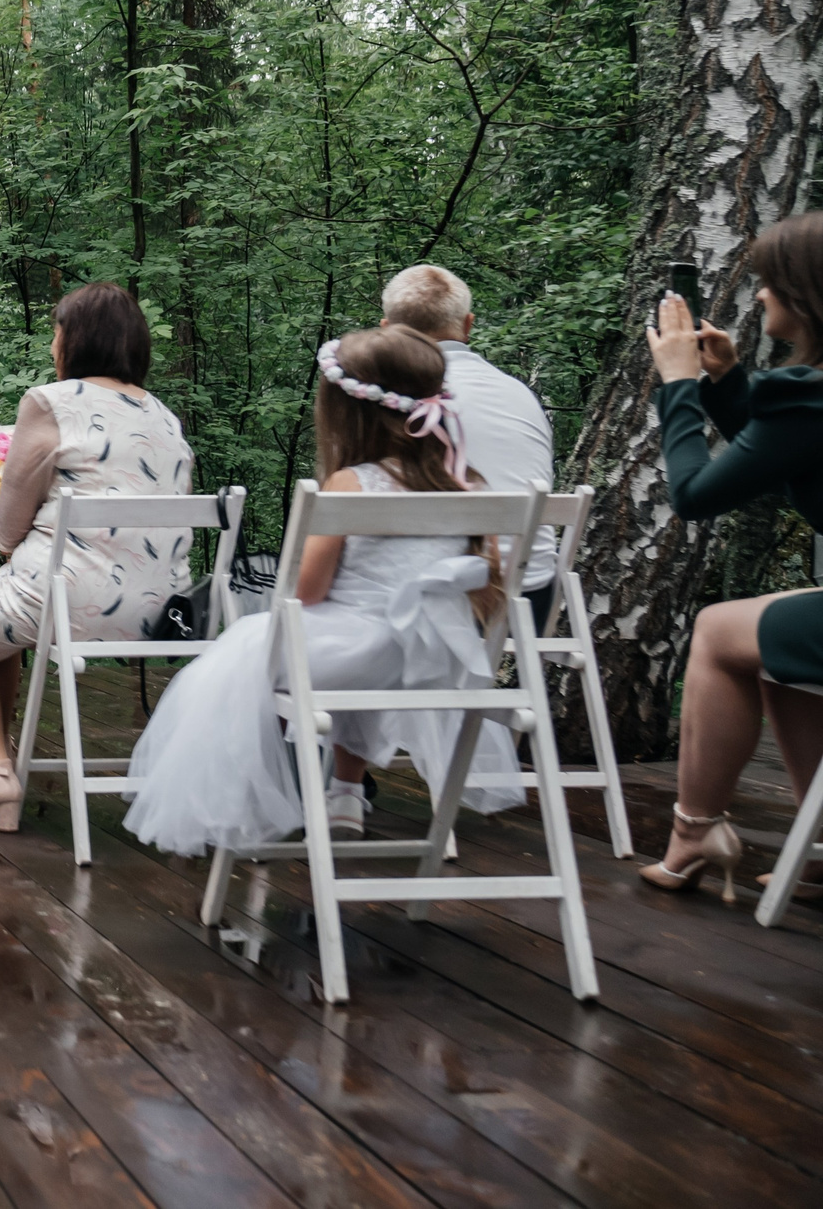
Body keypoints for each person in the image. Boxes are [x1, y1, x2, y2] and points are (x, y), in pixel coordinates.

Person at [120, 325, 524, 854]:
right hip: (431, 656)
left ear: (345, 413)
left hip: (354, 653)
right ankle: (345, 792)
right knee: (355, 645)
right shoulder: (468, 481)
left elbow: (307, 594)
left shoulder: (350, 484)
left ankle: (238, 803)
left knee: (236, 661)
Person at [0, 282, 195, 829]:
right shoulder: (166, 417)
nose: (53, 345)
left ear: (75, 340)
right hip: (160, 612)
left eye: (56, 332)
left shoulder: (50, 402)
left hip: (67, 603)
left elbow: (8, 534)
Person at [636, 213, 823, 901]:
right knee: (773, 646)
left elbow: (693, 495)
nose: (762, 297)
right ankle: (821, 840)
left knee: (719, 629)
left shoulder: (805, 393)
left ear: (804, 297)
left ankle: (694, 827)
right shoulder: (807, 397)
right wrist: (726, 383)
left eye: (770, 283)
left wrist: (678, 385)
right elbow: (781, 466)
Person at [381, 263, 561, 621]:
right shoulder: (520, 394)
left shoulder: (391, 398)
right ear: (468, 324)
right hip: (532, 596)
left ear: (387, 332)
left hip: (439, 597)